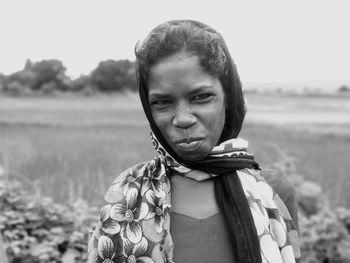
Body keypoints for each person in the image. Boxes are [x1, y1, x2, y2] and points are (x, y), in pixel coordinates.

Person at [88, 20, 301, 263]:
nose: (183, 119)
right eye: (162, 102)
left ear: (228, 98)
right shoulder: (127, 195)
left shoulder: (271, 191)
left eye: (201, 97)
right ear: (148, 107)